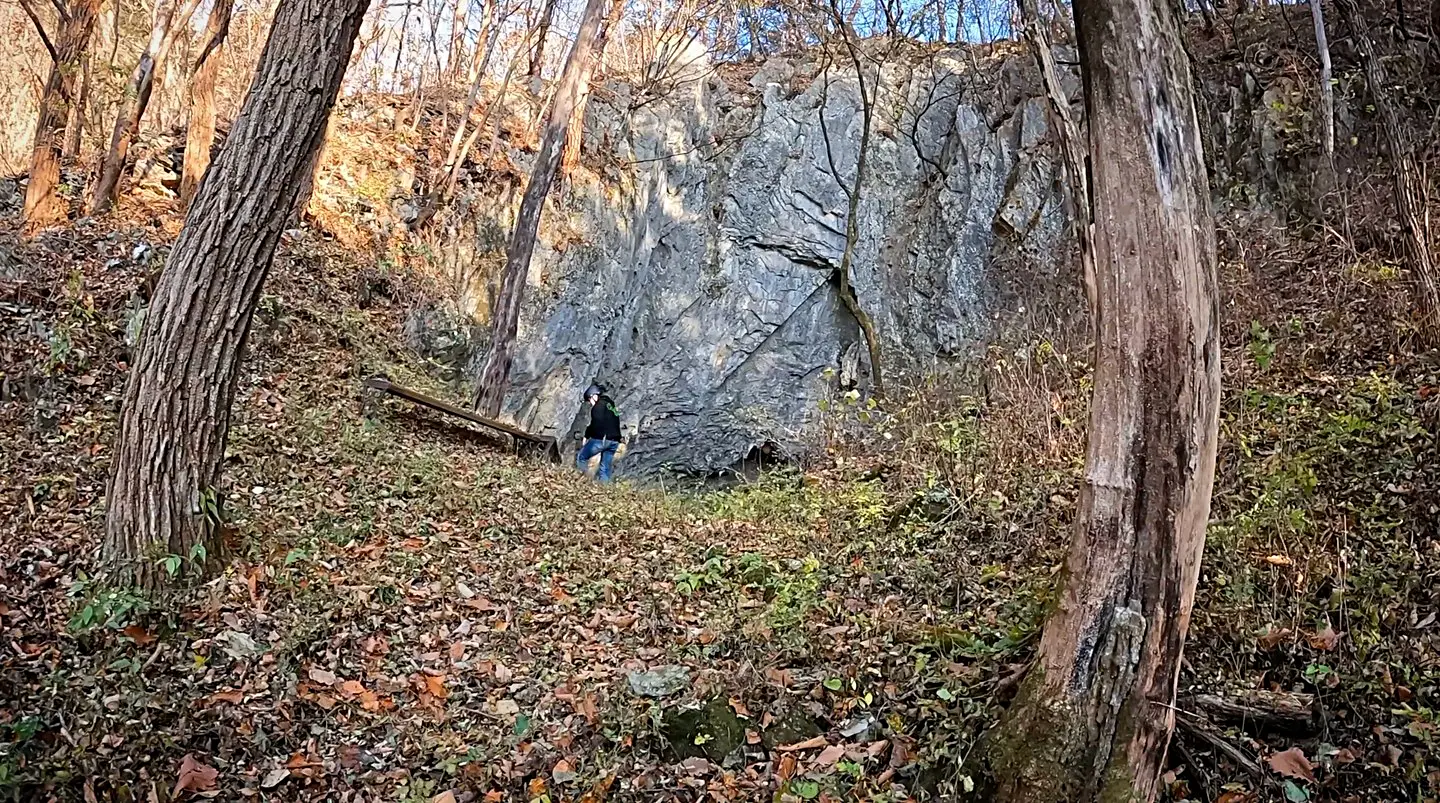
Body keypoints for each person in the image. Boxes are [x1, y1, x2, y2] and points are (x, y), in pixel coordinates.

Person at [577, 384, 622, 482]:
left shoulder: (598, 407)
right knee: (605, 468)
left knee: (582, 457)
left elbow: (596, 422)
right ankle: (604, 489)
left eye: (589, 400)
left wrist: (587, 436)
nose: (590, 403)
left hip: (602, 439)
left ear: (593, 396)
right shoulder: (611, 406)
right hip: (614, 441)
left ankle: (582, 481)